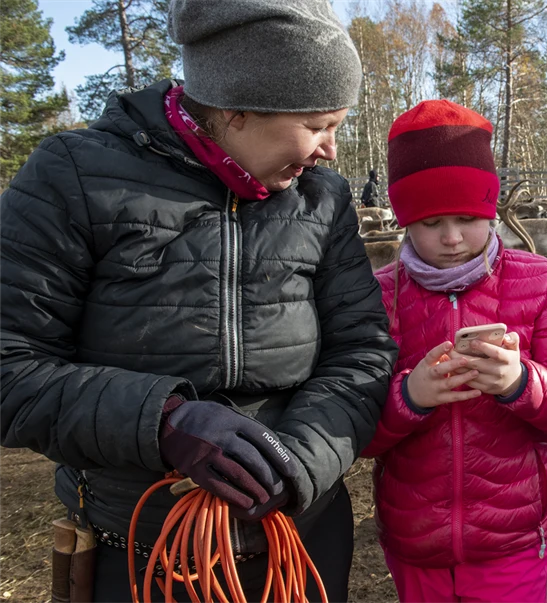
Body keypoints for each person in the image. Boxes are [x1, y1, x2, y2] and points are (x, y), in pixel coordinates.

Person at [0, 1, 397, 600]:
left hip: (300, 538)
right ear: (236, 108)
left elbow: (363, 352)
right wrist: (162, 420)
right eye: (317, 125)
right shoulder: (75, 177)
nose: (330, 150)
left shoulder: (323, 199)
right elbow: (10, 364)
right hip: (141, 549)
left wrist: (301, 464)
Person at [360, 100, 547, 603]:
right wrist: (409, 396)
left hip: (511, 539)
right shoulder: (377, 295)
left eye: (467, 217)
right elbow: (355, 432)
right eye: (430, 223)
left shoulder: (539, 283)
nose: (451, 238)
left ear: (491, 211)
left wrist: (522, 383)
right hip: (414, 538)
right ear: (404, 220)